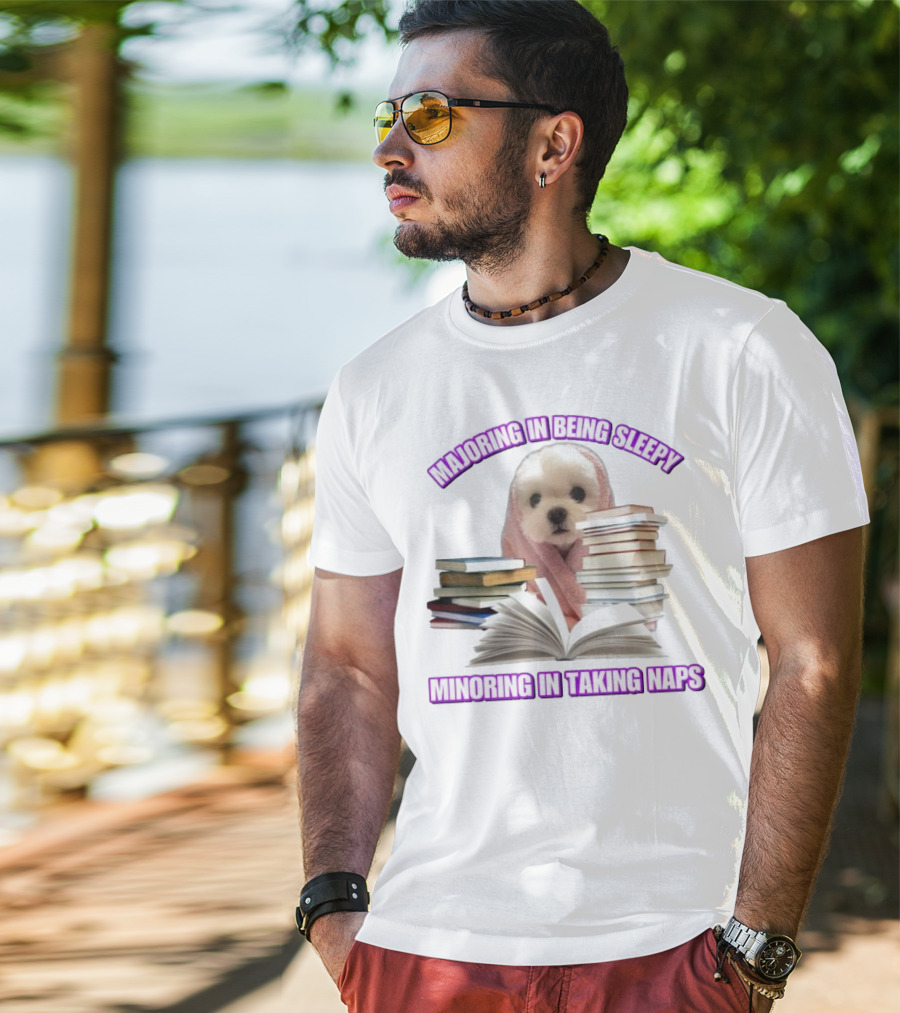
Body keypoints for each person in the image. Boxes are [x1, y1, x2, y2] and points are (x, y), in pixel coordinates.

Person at [295, 2, 869, 1011]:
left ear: (554, 142)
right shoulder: (377, 385)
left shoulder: (740, 347)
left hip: (670, 946)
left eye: (431, 116)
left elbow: (813, 660)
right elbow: (346, 660)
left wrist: (757, 948)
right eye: (386, 116)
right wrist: (337, 909)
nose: (389, 146)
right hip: (427, 952)